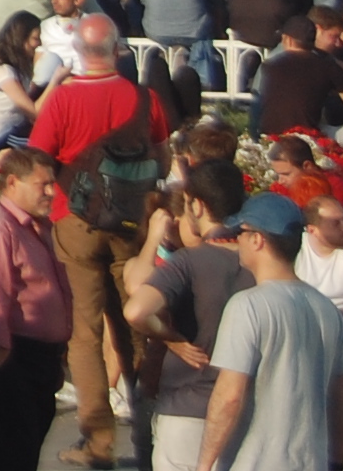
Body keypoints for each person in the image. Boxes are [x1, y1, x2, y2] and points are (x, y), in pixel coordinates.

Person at [27, 16, 167, 467]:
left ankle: (98, 443)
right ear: (117, 49)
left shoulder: (64, 99)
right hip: (131, 224)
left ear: (78, 51)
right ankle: (149, 438)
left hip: (76, 221)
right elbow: (162, 158)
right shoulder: (144, 97)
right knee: (136, 328)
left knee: (85, 334)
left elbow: (39, 159)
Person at [193, 190, 343, 471]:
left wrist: (204, 465)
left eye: (240, 232)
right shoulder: (327, 310)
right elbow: (338, 396)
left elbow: (229, 396)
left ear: (257, 239)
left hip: (254, 462)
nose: (237, 240)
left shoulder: (247, 306)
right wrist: (336, 460)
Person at [127, 159, 253, 471]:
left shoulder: (188, 261)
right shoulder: (258, 261)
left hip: (186, 406)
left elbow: (136, 309)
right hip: (246, 410)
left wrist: (171, 338)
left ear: (197, 206)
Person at [0, 147, 70, 471]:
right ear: (12, 183)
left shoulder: (36, 226)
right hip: (8, 356)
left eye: (52, 184)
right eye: (43, 185)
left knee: (20, 455)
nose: (51, 192)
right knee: (11, 455)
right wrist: (7, 368)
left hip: (37, 359)